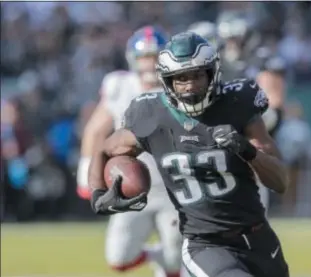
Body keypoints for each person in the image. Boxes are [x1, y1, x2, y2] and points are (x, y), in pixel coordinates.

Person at [89, 32, 290, 277]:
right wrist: (98, 193)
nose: (190, 86)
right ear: (167, 81)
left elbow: (280, 181)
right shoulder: (151, 115)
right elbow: (103, 148)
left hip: (259, 237)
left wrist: (248, 152)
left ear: (212, 73)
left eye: (197, 75)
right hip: (204, 244)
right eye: (180, 78)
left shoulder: (237, 104)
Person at [76, 26, 182, 277]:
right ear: (133, 59)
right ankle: (158, 257)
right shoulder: (119, 85)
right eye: (144, 57)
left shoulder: (179, 86)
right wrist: (86, 171)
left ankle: (168, 262)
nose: (149, 63)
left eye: (154, 56)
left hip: (174, 188)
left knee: (176, 260)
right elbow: (95, 130)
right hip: (130, 184)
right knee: (119, 259)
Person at [217, 10, 287, 210]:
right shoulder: (216, 61)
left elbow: (275, 105)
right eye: (229, 39)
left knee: (258, 165)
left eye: (236, 39)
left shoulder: (262, 59)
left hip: (254, 125)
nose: (232, 44)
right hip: (221, 125)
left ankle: (259, 217)